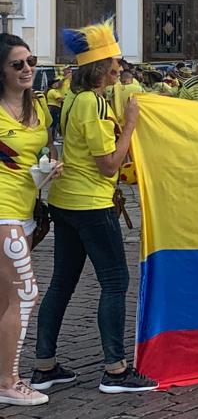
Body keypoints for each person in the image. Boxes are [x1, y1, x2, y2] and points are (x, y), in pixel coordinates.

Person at [33, 19, 156, 394]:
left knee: (62, 283)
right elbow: (108, 164)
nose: (120, 70)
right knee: (115, 282)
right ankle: (115, 370)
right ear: (101, 69)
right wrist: (131, 126)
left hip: (65, 201)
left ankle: (44, 364)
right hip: (92, 203)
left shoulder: (72, 98)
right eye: (116, 65)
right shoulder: (95, 105)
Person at [0, 36, 59, 407]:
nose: (27, 70)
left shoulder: (39, 107)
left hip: (25, 211)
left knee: (6, 296)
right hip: (1, 209)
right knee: (26, 292)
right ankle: (9, 382)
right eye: (17, 64)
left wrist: (49, 168)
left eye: (31, 61)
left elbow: (46, 149)